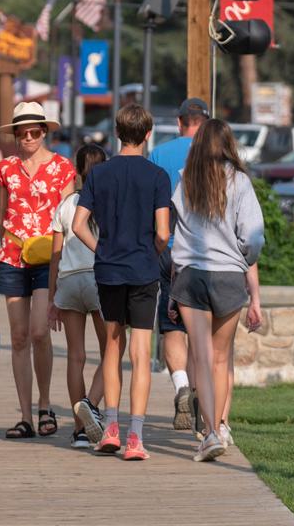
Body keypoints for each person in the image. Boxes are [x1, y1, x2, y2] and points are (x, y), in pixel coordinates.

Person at [72, 104, 171, 461]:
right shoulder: (158, 177)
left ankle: (110, 428)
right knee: (140, 354)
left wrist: (102, 249)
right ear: (148, 134)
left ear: (116, 134)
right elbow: (163, 232)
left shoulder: (99, 174)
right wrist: (153, 252)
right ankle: (135, 438)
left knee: (111, 348)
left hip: (109, 270)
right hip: (144, 270)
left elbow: (78, 224)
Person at [168, 119, 264, 462]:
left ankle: (208, 433)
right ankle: (221, 424)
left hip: (191, 273)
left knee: (202, 358)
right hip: (227, 274)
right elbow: (253, 234)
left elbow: (174, 228)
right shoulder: (240, 181)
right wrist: (245, 257)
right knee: (222, 359)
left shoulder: (185, 180)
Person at [0, 102, 77, 440]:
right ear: (14, 135)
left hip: (48, 255)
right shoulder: (5, 169)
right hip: (13, 254)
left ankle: (45, 404)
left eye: (34, 131)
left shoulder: (62, 167)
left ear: (45, 132)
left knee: (40, 331)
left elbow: (70, 217)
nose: (28, 137)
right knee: (18, 337)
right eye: (21, 132)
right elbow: (3, 213)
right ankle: (26, 415)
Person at [148, 97, 209, 433]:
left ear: (180, 121)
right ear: (205, 122)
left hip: (168, 248)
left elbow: (153, 204)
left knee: (172, 325)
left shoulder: (159, 154)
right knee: (203, 329)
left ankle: (182, 386)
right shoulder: (215, 154)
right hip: (208, 253)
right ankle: (202, 396)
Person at [48, 144, 112, 448]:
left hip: (69, 282)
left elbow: (55, 255)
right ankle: (92, 406)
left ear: (76, 173)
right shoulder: (108, 203)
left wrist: (51, 300)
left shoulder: (66, 205)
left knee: (76, 356)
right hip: (99, 280)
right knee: (110, 351)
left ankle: (78, 431)